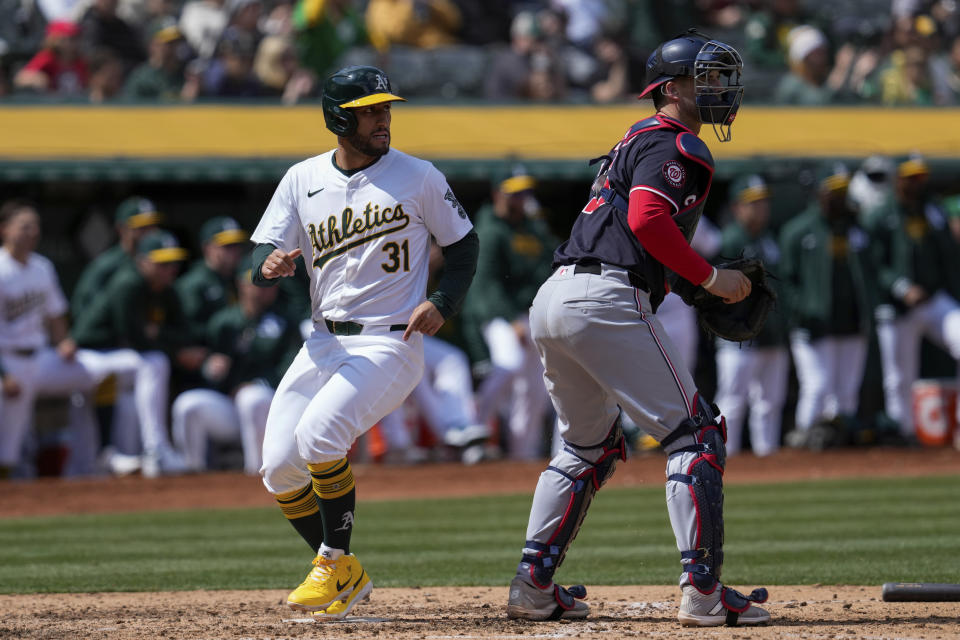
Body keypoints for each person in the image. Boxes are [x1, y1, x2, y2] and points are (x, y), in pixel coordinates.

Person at [505, 30, 770, 626]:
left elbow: (633, 229)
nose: (723, 89)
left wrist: (688, 282)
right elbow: (648, 217)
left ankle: (533, 585)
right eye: (709, 78)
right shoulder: (675, 143)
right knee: (696, 435)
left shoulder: (635, 139)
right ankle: (702, 594)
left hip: (556, 297)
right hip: (604, 297)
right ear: (671, 90)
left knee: (585, 448)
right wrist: (709, 277)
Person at [249, 65, 478, 620]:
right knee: (279, 468)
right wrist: (270, 263)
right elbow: (261, 260)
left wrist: (443, 303)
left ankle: (333, 559)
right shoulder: (302, 178)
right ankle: (345, 575)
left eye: (385, 109)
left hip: (388, 343)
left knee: (320, 436)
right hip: (323, 342)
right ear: (337, 117)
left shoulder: (418, 175)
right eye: (370, 110)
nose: (383, 119)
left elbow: (466, 247)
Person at [72, 230, 203, 477]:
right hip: (91, 354)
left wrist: (158, 333)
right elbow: (135, 338)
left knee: (139, 387)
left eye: (173, 262)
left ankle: (140, 453)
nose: (170, 269)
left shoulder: (166, 290)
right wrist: (168, 347)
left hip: (120, 356)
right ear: (143, 261)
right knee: (155, 362)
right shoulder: (128, 283)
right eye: (162, 263)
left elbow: (185, 333)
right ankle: (155, 450)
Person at [172, 255, 300, 474]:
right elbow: (209, 370)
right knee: (188, 405)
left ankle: (257, 473)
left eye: (270, 283)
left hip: (268, 404)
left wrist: (257, 383)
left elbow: (291, 368)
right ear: (242, 284)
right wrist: (210, 369)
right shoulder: (224, 321)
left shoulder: (286, 321)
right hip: (231, 408)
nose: (264, 289)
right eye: (258, 282)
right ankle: (193, 475)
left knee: (250, 398)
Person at [862, 156, 960, 441]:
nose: (917, 183)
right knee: (899, 377)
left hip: (933, 298)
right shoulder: (881, 214)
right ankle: (902, 433)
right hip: (897, 306)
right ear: (898, 179)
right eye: (911, 177)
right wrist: (901, 286)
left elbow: (947, 255)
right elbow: (874, 264)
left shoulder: (932, 210)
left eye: (921, 177)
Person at [461, 169, 556, 460]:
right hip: (492, 313)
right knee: (510, 363)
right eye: (514, 193)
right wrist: (512, 319)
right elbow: (487, 284)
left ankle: (522, 453)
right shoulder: (489, 228)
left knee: (535, 386)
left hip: (524, 313)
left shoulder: (530, 227)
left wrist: (539, 222)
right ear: (497, 194)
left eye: (524, 192)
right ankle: (473, 429)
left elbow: (550, 262)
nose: (521, 198)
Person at [0, 200, 96, 479]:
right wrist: (4, 375)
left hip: (40, 358)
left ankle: (88, 466)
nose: (32, 232)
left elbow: (55, 315)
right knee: (6, 444)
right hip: (6, 359)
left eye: (36, 227)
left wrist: (63, 341)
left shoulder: (43, 267)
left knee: (100, 373)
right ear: (4, 229)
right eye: (25, 226)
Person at [779, 163, 875, 440]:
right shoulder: (798, 231)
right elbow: (786, 282)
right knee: (817, 385)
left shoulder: (856, 228)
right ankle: (804, 440)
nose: (839, 197)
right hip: (813, 324)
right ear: (820, 192)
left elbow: (870, 271)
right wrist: (800, 312)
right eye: (834, 191)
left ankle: (839, 449)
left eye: (843, 191)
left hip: (851, 321)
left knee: (846, 391)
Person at [713, 175, 789, 457]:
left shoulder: (769, 239)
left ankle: (766, 459)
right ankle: (722, 458)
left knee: (770, 402)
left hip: (770, 333)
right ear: (737, 208)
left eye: (763, 202)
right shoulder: (730, 240)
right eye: (753, 203)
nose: (760, 209)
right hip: (738, 336)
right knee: (732, 402)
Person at [72, 196, 163, 318]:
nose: (149, 233)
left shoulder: (162, 265)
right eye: (142, 228)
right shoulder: (106, 266)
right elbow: (83, 311)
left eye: (152, 226)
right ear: (121, 229)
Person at [175, 216, 249, 330]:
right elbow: (186, 328)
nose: (235, 251)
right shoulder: (192, 284)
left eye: (237, 245)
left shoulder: (241, 276)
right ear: (207, 248)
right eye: (227, 246)